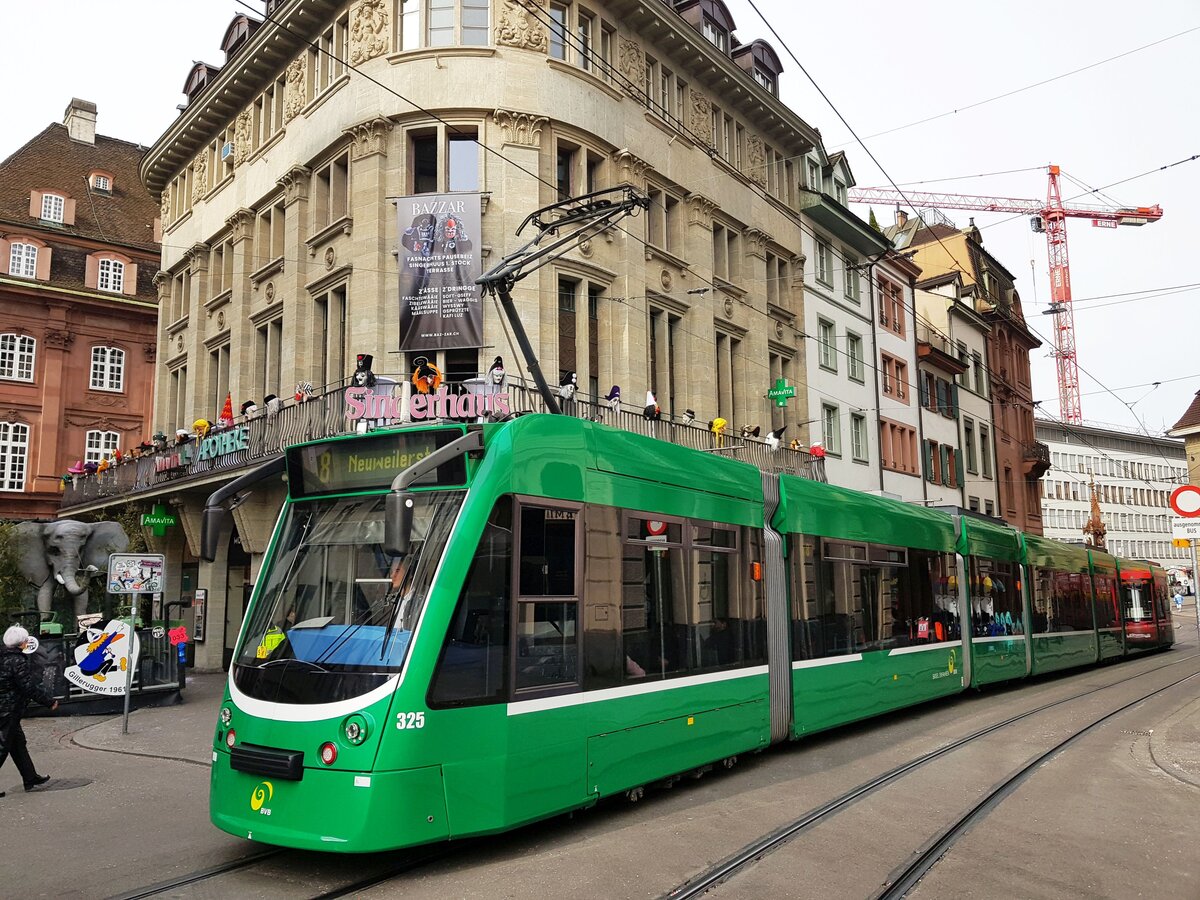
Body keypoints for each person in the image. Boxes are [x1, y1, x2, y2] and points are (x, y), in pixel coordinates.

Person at [1, 625, 59, 797]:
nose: (27, 642)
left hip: (5, 708)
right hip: (8, 709)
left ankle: (30, 777)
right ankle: (30, 778)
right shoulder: (16, 660)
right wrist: (48, 701)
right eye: (26, 640)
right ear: (21, 643)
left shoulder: (3, 656)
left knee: (17, 744)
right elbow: (27, 686)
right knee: (3, 746)